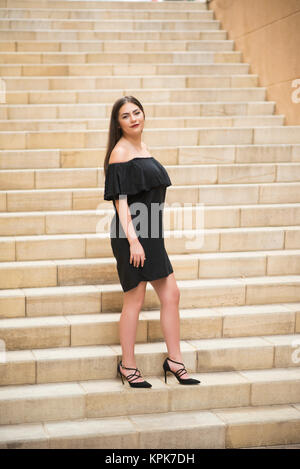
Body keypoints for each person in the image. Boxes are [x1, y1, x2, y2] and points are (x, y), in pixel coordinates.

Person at [103, 96, 200, 388]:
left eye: (137, 112)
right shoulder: (119, 153)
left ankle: (175, 361)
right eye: (125, 116)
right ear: (117, 123)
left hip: (151, 232)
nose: (134, 118)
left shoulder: (143, 148)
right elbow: (120, 204)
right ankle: (128, 366)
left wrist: (149, 236)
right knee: (135, 298)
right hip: (130, 232)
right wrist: (134, 241)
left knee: (171, 295)